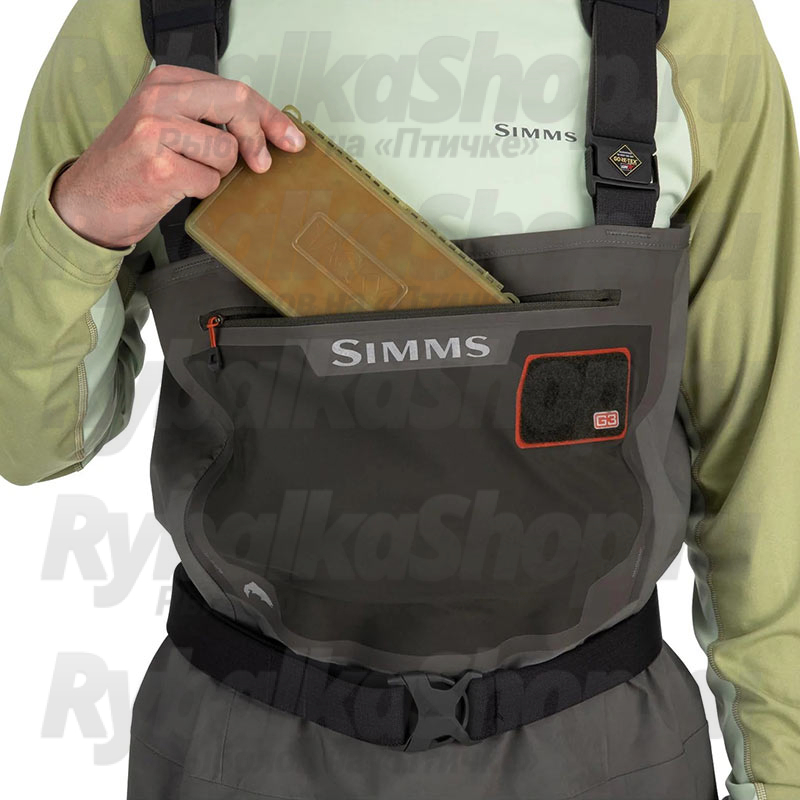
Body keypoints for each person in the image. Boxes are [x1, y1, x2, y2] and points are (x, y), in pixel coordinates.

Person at [1, 1, 798, 799]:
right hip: (241, 755)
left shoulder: (686, 22)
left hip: (606, 756)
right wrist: (81, 217)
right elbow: (28, 443)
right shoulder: (138, 23)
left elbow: (767, 460)